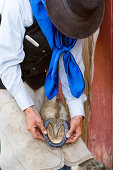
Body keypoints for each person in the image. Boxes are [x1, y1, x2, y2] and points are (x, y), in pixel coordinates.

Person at [0, 0, 105, 170]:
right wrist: (28, 109)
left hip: (38, 80)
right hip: (5, 80)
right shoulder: (17, 4)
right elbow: (6, 64)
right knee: (30, 157)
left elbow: (72, 66)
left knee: (63, 153)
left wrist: (77, 112)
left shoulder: (78, 14)